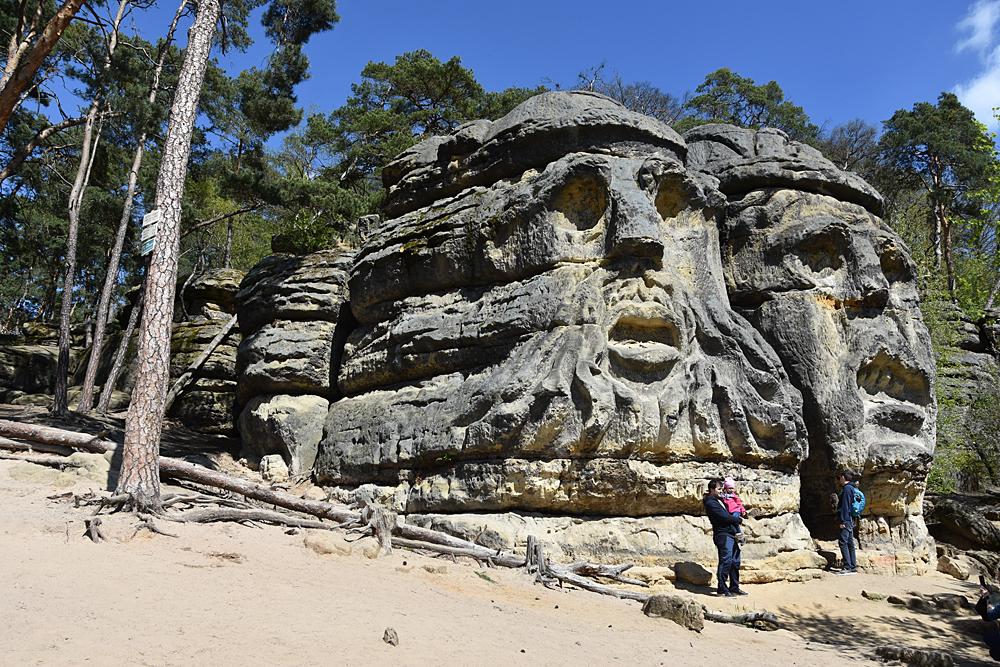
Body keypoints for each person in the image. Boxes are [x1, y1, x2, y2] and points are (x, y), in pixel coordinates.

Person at [704, 478, 747, 596]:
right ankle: (722, 589)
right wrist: (738, 519)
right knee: (726, 560)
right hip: (723, 534)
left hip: (731, 533)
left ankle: (734, 587)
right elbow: (724, 516)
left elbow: (733, 508)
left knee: (735, 561)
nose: (720, 491)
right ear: (712, 489)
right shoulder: (710, 502)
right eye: (718, 489)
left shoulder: (720, 500)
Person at [836, 470, 858, 575]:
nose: (839, 480)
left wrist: (843, 521)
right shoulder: (852, 488)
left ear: (844, 478)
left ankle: (847, 566)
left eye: (840, 477)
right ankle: (852, 567)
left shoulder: (846, 489)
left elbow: (845, 506)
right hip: (850, 519)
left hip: (846, 520)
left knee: (843, 542)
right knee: (850, 543)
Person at [720, 477, 748, 544]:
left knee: (734, 521)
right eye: (729, 488)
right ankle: (738, 536)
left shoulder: (734, 496)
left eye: (732, 488)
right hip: (729, 512)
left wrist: (743, 510)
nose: (731, 490)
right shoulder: (723, 496)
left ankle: (739, 535)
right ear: (725, 488)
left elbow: (739, 504)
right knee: (732, 523)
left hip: (736, 511)